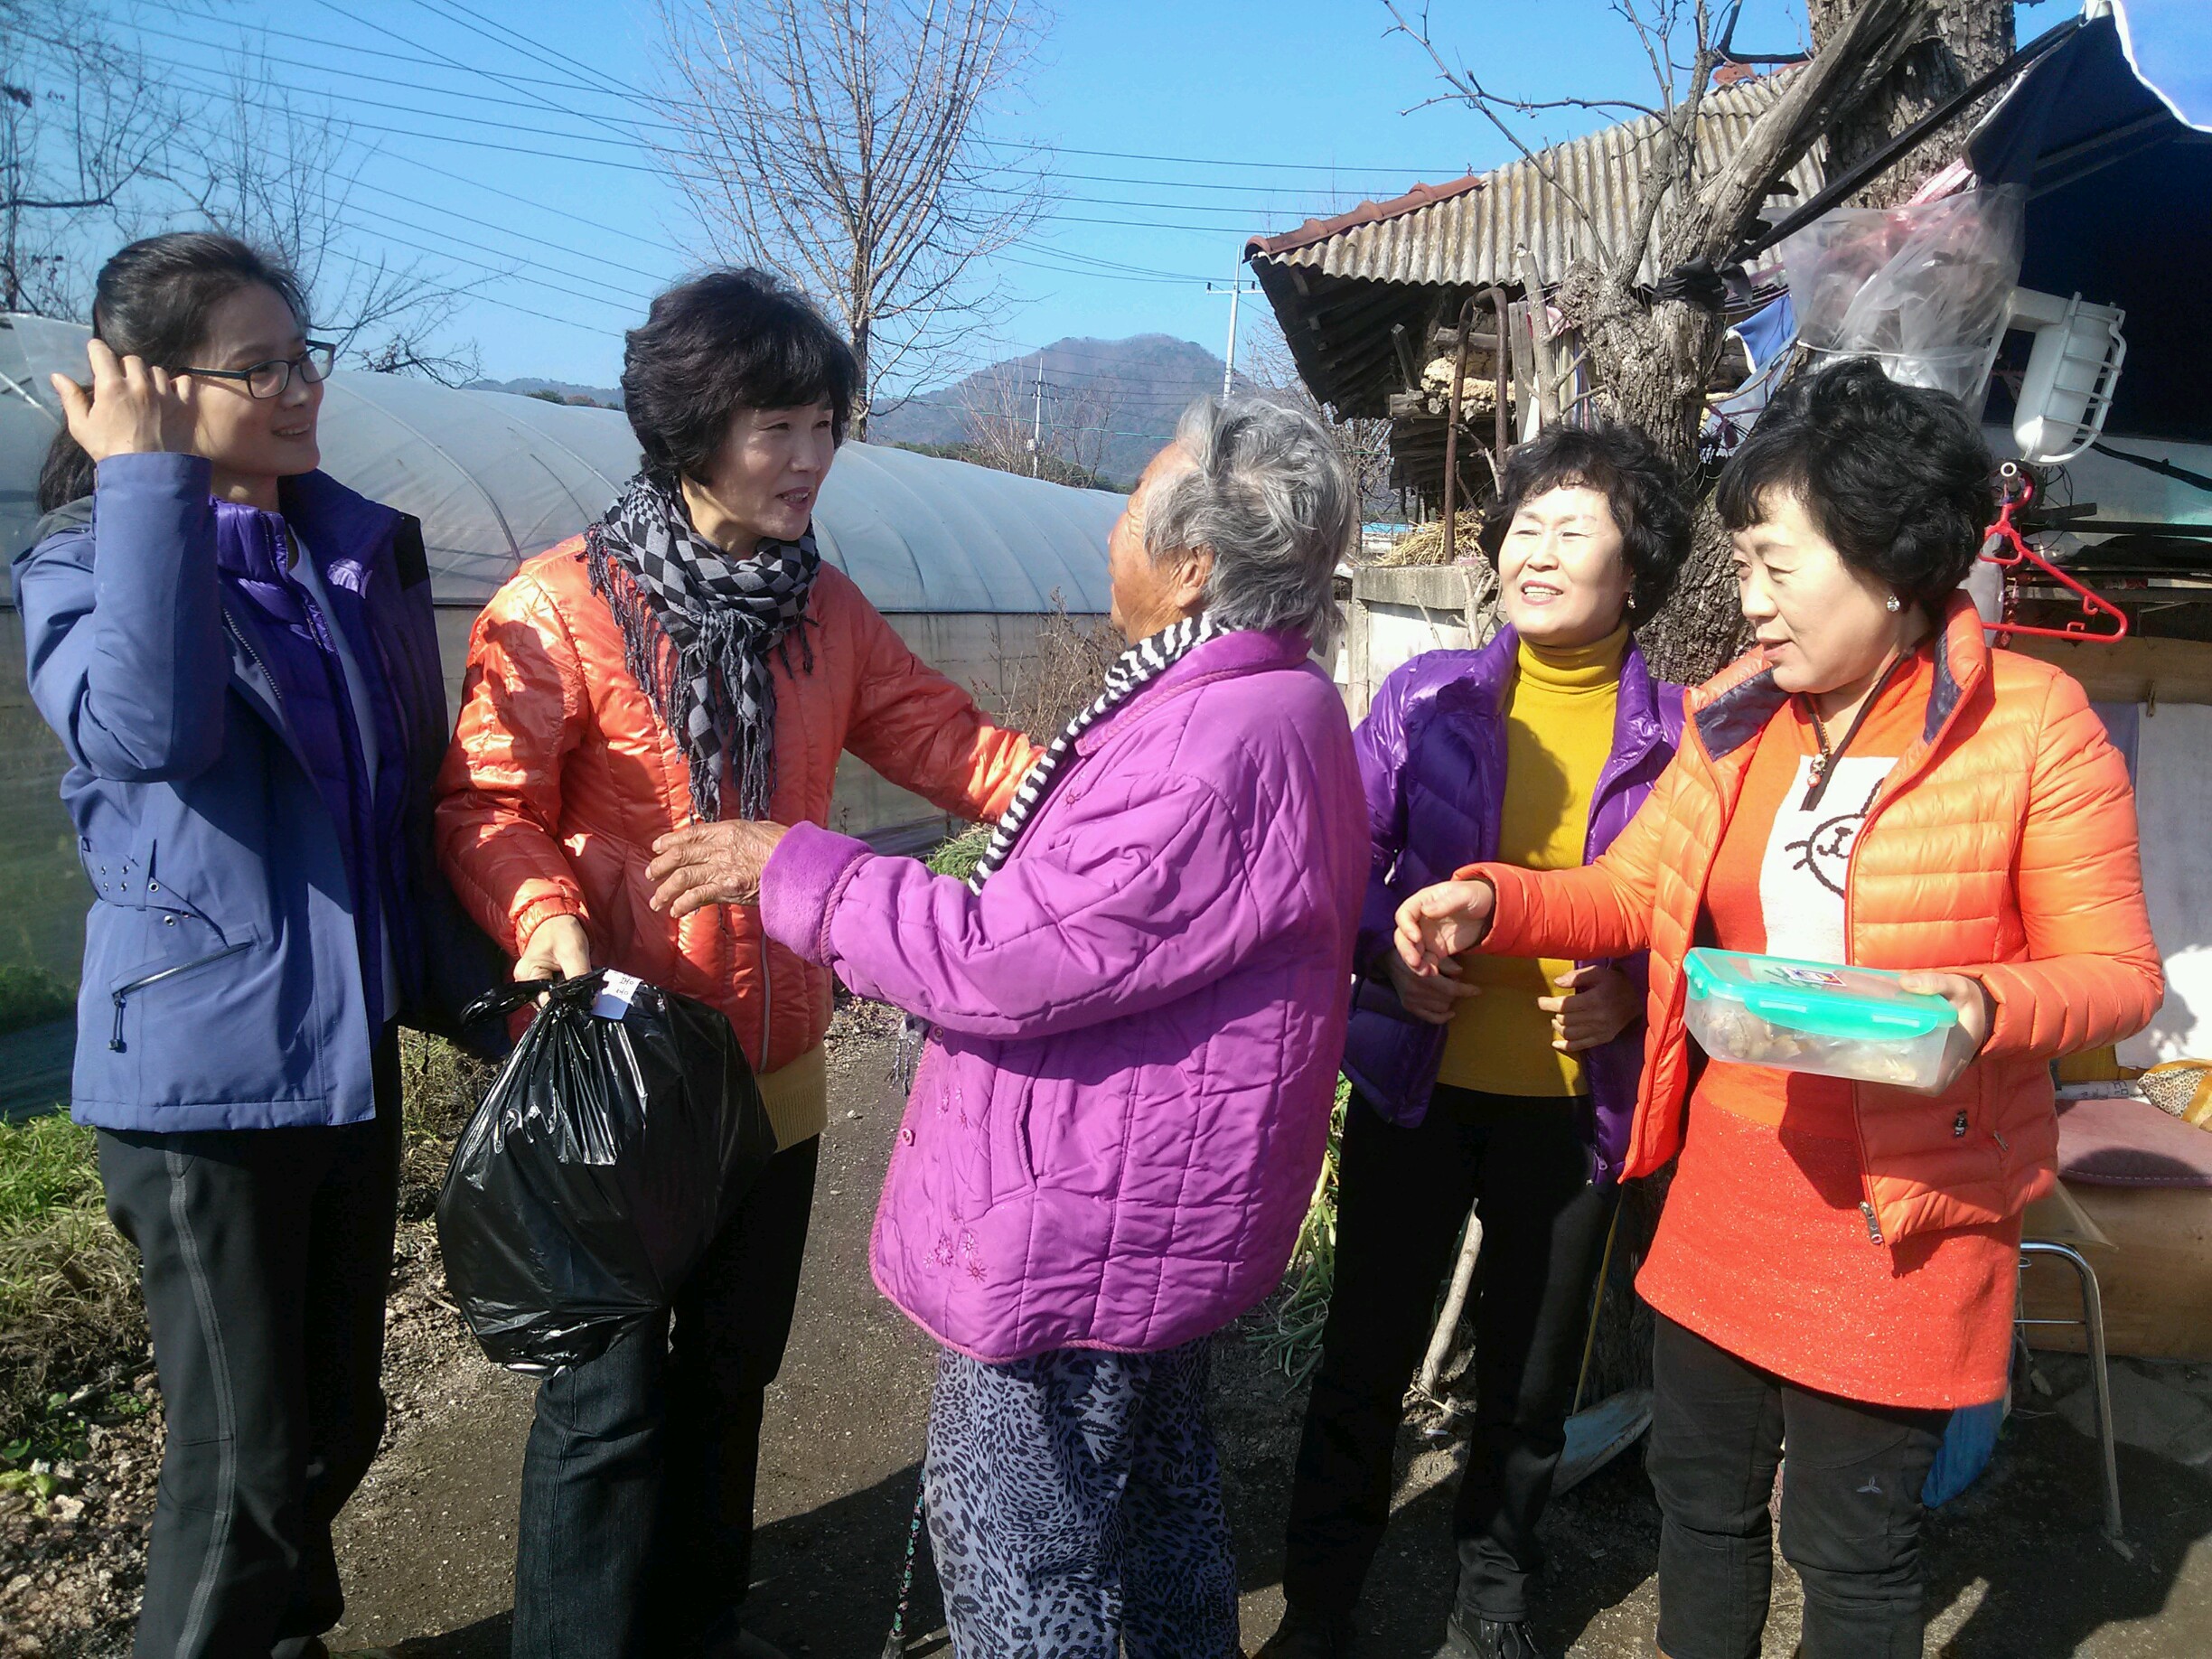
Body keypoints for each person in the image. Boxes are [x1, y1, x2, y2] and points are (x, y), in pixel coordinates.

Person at [1394, 359, 2161, 1659]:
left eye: (1775, 565)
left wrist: (1977, 1001)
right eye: (1743, 563)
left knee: (1852, 1549)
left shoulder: (2036, 725)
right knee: (1700, 1506)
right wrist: (1490, 900)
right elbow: (1631, 891)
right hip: (1731, 1184)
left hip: (1904, 1212)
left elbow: (2121, 975)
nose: (1749, 599)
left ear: (1888, 560)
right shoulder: (1739, 718)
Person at [434, 268, 1041, 1659]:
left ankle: (703, 1624)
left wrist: (1127, 779)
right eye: (779, 427)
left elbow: (955, 745)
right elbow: (485, 804)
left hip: (776, 1072)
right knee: (603, 1409)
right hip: (623, 1075)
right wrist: (543, 915)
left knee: (730, 1376)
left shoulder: (826, 613)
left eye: (826, 426)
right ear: (694, 427)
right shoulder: (557, 608)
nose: (811, 458)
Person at [743, 395, 1368, 1656]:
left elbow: (1003, 956)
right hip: (1144, 1202)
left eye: (1132, 510)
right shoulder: (1268, 701)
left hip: (1085, 1226)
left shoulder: (1212, 741)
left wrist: (796, 870)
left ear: (1193, 564)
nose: (1111, 534)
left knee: (1022, 1551)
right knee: (1156, 1520)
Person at [18, 232, 486, 1659]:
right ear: (152, 391)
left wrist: (486, 985)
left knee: (338, 1422)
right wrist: (145, 485)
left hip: (345, 1055)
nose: (301, 389)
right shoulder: (78, 566)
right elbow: (151, 729)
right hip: (202, 1085)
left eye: (304, 357)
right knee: (243, 1469)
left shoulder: (341, 557)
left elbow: (394, 808)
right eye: (260, 367)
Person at [1261, 421, 1692, 1659]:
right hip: (1417, 1086)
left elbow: (1704, 917)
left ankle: (1493, 1596)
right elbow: (1335, 865)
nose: (1533, 552)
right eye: (1523, 527)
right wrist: (1384, 957)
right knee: (1364, 1352)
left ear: (1638, 565)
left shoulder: (1685, 740)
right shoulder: (1425, 699)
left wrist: (1635, 997)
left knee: (1530, 1374)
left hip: (1573, 1106)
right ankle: (1318, 1604)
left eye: (1572, 529)